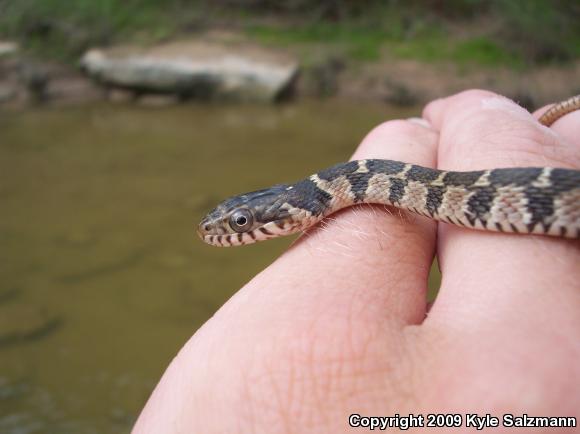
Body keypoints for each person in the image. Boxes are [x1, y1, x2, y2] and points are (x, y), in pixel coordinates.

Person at [132, 90, 580, 433]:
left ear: (293, 212)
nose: (227, 232)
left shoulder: (353, 183)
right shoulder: (340, 187)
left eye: (242, 222)